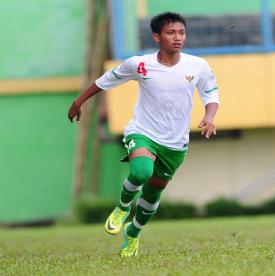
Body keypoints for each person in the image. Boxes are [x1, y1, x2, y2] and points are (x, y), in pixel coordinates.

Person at [67, 12, 219, 257]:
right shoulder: (138, 64)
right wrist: (78, 101)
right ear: (156, 36)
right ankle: (122, 207)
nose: (177, 37)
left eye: (181, 32)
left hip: (175, 142)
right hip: (143, 131)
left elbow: (211, 95)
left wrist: (210, 117)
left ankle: (133, 233)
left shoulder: (198, 66)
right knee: (141, 172)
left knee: (152, 193)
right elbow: (105, 80)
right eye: (171, 33)